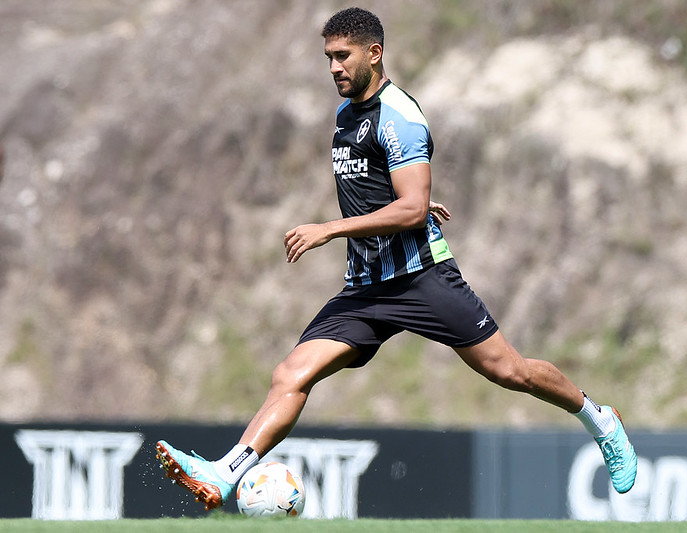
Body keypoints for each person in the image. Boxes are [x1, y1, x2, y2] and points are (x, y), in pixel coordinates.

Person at [155, 7, 637, 511]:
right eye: (328, 58)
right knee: (291, 374)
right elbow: (388, 190)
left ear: (374, 54)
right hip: (366, 288)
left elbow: (407, 212)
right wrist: (412, 200)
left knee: (510, 371)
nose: (335, 67)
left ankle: (599, 419)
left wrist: (333, 228)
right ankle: (225, 473)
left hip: (423, 279)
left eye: (343, 56)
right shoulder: (346, 117)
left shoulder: (401, 116)